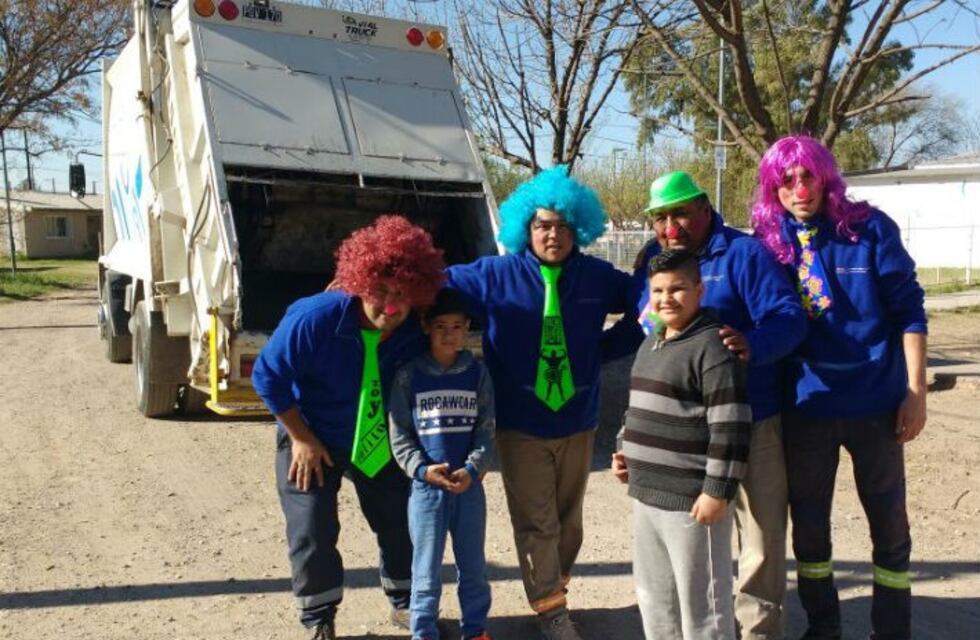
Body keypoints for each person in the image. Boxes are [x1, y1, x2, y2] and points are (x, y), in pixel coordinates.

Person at [446, 166, 641, 640]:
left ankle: (556, 590)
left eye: (561, 225)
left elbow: (647, 304)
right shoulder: (495, 275)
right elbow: (432, 284)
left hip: (579, 419)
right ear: (524, 229)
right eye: (541, 225)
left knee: (568, 522)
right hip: (520, 424)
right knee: (536, 521)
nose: (552, 234)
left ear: (578, 228)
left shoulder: (597, 277)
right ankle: (551, 609)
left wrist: (600, 352)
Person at [751, 135, 927, 640]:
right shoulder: (769, 243)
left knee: (890, 527)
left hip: (877, 404)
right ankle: (823, 626)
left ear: (825, 175)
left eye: (807, 175)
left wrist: (915, 392)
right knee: (809, 527)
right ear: (773, 188)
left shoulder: (867, 228)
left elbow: (909, 310)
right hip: (806, 407)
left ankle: (892, 631)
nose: (798, 187)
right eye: (786, 180)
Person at [252, 215, 446, 640]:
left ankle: (406, 603)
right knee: (312, 529)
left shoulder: (413, 327)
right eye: (380, 292)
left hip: (378, 437)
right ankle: (319, 617)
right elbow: (267, 377)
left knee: (400, 518)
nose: (390, 307)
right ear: (360, 282)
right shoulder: (314, 318)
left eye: (403, 295)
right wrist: (300, 438)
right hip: (311, 432)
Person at [632, 171, 807, 639]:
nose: (672, 226)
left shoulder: (745, 254)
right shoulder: (655, 261)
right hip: (685, 438)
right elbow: (645, 327)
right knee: (695, 543)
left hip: (752, 420)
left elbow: (789, 317)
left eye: (682, 213)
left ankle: (758, 631)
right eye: (661, 217)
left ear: (705, 209)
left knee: (761, 537)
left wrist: (754, 343)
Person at [613, 248, 751, 640]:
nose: (666, 298)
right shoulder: (651, 343)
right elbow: (637, 408)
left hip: (692, 504)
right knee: (656, 601)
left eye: (678, 288)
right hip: (646, 498)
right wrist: (624, 450)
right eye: (658, 290)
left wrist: (717, 491)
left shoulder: (713, 347)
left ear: (699, 289)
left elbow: (731, 425)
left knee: (703, 609)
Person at [389, 288, 496, 640]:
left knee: (474, 568)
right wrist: (421, 470)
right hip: (426, 491)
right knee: (425, 571)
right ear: (425, 327)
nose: (448, 334)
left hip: (468, 488)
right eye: (440, 326)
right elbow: (400, 435)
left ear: (467, 328)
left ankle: (476, 630)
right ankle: (423, 631)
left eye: (456, 326)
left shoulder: (477, 374)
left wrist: (473, 468)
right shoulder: (409, 375)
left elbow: (485, 429)